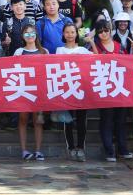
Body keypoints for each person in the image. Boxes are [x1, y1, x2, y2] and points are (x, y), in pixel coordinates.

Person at [91, 20, 133, 161]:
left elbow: (129, 64)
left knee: (121, 120)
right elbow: (94, 61)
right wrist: (91, 42)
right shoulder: (95, 46)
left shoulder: (119, 46)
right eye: (100, 31)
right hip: (104, 88)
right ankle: (109, 151)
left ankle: (123, 149)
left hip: (120, 87)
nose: (103, 33)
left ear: (110, 31)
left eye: (106, 30)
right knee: (107, 119)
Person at [55, 22, 91, 161]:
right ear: (63, 34)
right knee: (67, 120)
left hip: (81, 89)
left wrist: (92, 42)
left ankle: (81, 148)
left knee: (82, 120)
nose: (70, 35)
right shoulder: (59, 50)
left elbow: (97, 60)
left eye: (72, 32)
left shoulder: (83, 50)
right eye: (67, 32)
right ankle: (70, 148)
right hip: (66, 89)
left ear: (76, 34)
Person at [14, 23, 46, 161]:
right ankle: (24, 150)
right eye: (26, 33)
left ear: (36, 34)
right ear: (22, 36)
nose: (30, 35)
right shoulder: (19, 52)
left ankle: (38, 150)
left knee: (38, 120)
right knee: (23, 119)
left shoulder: (44, 51)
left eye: (32, 32)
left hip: (39, 90)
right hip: (23, 89)